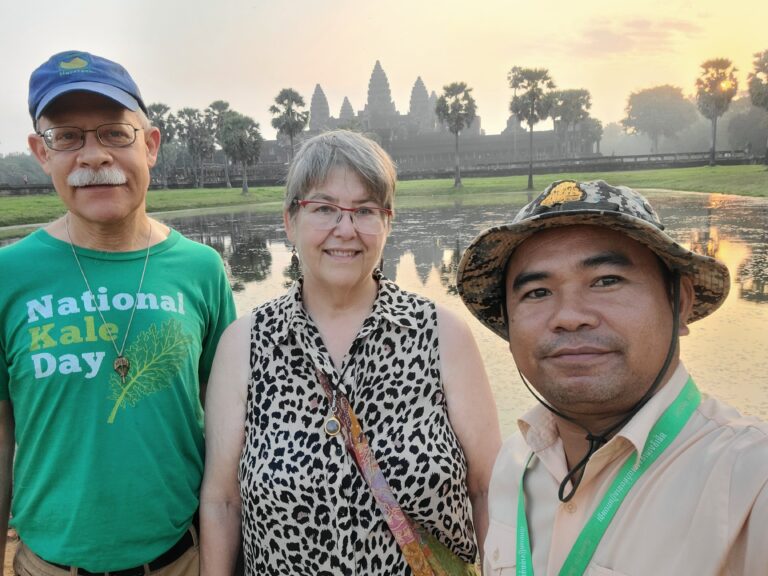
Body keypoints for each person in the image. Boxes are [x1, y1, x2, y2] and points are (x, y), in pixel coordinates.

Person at [200, 130, 501, 575]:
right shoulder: (245, 343)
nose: (346, 230)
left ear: (387, 222)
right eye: (324, 209)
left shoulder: (441, 334)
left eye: (364, 210)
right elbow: (223, 501)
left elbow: (488, 488)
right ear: (290, 221)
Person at [0, 50, 237, 575]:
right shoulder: (7, 275)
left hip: (181, 560)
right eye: (68, 137)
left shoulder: (202, 269)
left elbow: (226, 431)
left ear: (150, 145)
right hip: (49, 566)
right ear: (42, 153)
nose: (92, 156)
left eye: (114, 133)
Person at [457, 179, 768, 575]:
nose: (569, 316)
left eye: (606, 281)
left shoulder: (750, 483)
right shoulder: (515, 465)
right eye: (536, 292)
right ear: (508, 325)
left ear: (680, 302)